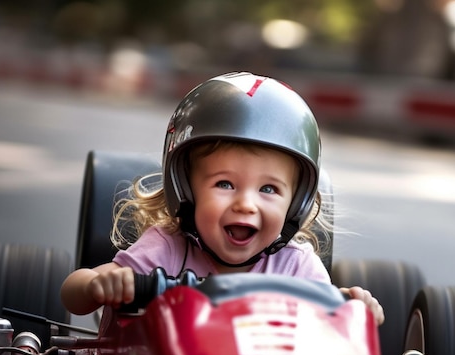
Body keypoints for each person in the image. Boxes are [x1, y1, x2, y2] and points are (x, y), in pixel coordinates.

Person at [61, 71, 384, 325]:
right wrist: (98, 286)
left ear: (295, 204)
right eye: (225, 184)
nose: (246, 204)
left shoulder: (297, 267)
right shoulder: (164, 249)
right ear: (185, 190)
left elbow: (333, 328)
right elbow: (74, 293)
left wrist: (356, 309)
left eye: (268, 189)